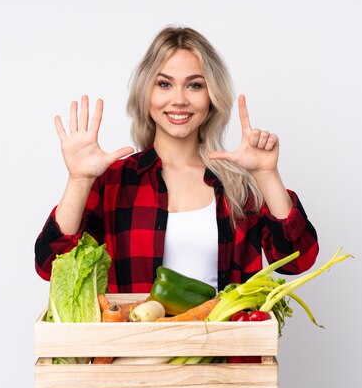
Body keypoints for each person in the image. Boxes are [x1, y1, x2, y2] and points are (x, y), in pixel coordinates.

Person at [35, 26, 318, 293]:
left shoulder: (238, 187)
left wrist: (267, 174)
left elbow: (298, 260)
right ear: (147, 93)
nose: (179, 99)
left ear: (211, 97)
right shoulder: (113, 182)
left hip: (224, 346)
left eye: (194, 85)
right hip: (136, 345)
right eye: (164, 84)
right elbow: (50, 266)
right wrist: (79, 180)